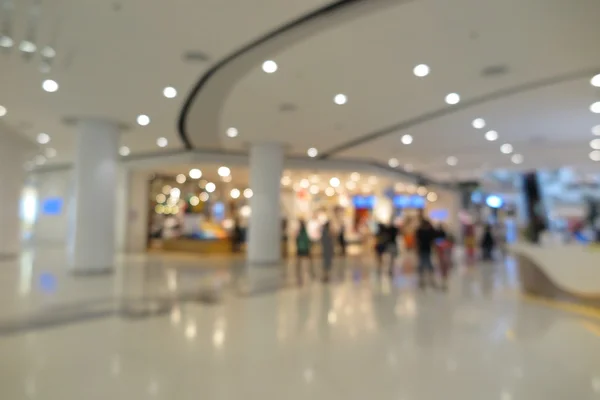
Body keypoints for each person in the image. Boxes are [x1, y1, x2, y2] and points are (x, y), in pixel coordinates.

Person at [415, 218, 437, 288]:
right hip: (424, 249)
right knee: (423, 263)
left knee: (427, 263)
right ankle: (423, 279)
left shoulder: (428, 231)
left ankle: (428, 279)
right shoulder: (420, 231)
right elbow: (417, 241)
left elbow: (432, 241)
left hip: (426, 249)